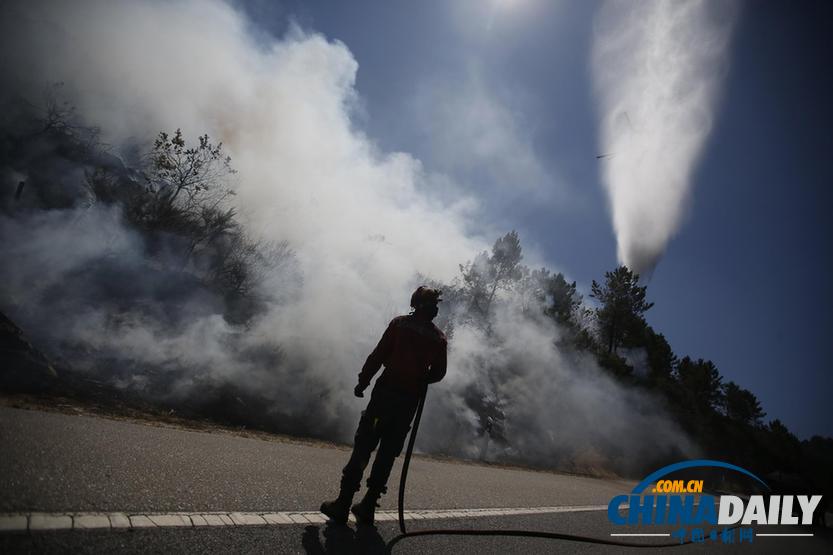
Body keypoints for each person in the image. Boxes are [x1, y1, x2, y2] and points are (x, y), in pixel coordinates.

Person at [320, 286, 447, 526]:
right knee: (388, 452)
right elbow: (439, 373)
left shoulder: (399, 325)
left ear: (414, 303)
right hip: (407, 404)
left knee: (365, 444)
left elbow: (379, 355)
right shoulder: (438, 338)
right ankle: (368, 506)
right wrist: (421, 377)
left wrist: (363, 381)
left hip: (384, 398)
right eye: (434, 304)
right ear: (430, 307)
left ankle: (343, 503)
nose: (436, 308)